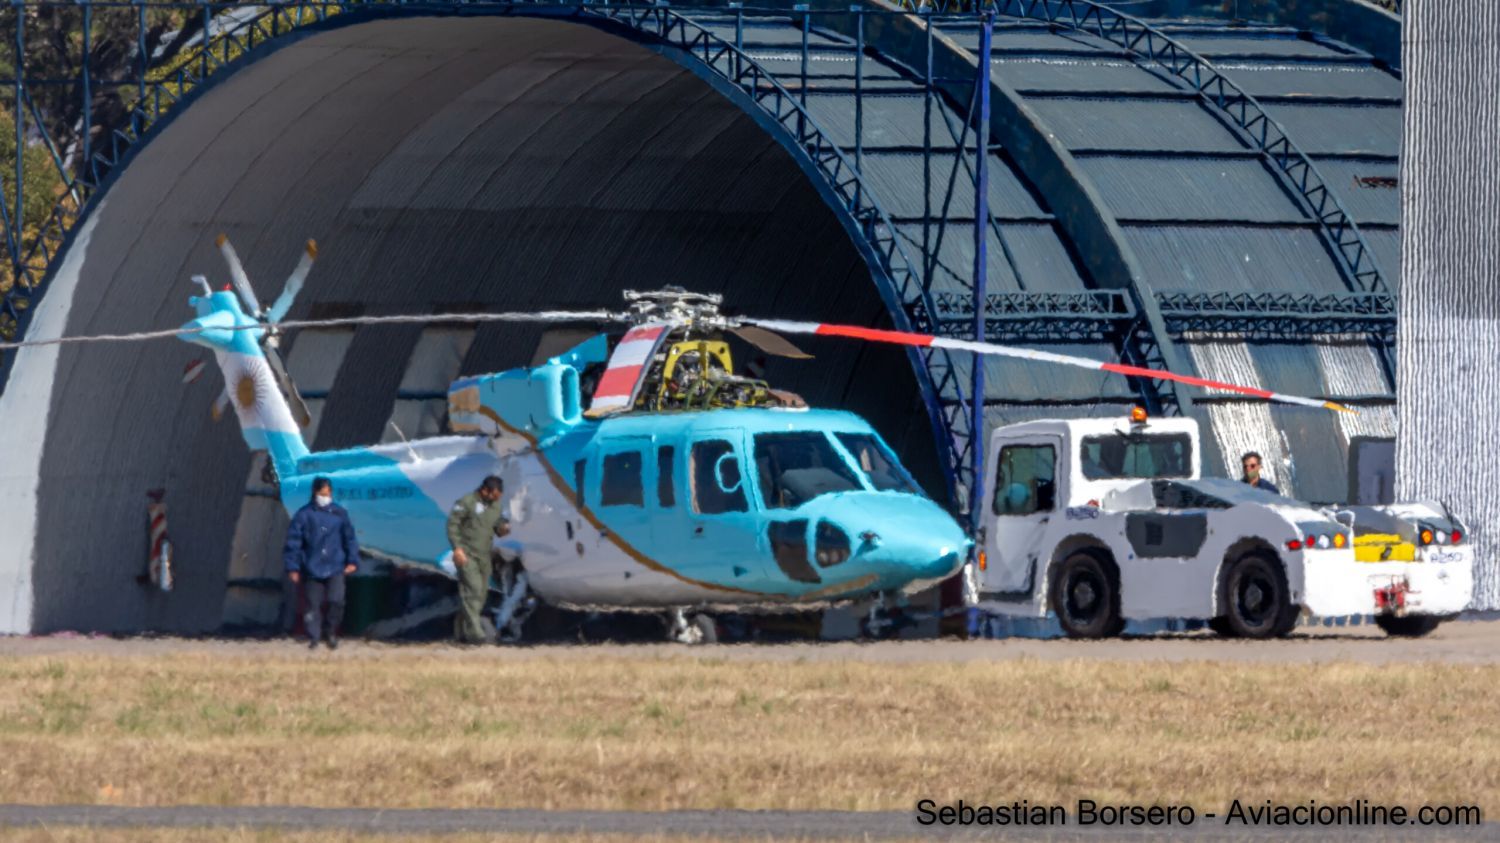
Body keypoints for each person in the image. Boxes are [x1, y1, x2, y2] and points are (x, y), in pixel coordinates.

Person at [284, 477, 360, 649]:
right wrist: (293, 567)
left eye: (326, 492)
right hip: (312, 566)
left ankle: (331, 631)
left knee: (336, 601)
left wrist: (352, 560)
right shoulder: (304, 515)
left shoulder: (340, 514)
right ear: (314, 493)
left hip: (335, 565)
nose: (324, 495)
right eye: (321, 492)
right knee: (312, 604)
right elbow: (294, 542)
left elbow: (349, 539)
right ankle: (314, 637)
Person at [447, 475, 511, 644]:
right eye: (495, 495)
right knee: (473, 590)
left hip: (484, 555)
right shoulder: (466, 502)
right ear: (485, 491)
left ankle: (461, 632)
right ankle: (476, 635)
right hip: (467, 554)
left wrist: (504, 528)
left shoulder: (495, 506)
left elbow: (498, 527)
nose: (497, 499)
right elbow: (452, 526)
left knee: (481, 594)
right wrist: (457, 548)